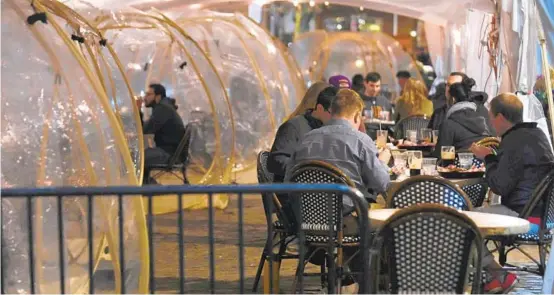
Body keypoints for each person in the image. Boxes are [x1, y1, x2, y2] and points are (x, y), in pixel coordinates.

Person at [285, 89, 391, 293]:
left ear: (331, 111)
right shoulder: (360, 140)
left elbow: (289, 180)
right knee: (385, 225)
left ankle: (350, 280)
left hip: (307, 223)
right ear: (357, 115)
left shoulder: (306, 139)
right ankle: (373, 283)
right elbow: (382, 183)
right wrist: (382, 162)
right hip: (347, 223)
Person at [470, 93, 554, 293]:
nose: (490, 123)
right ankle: (492, 278)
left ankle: (498, 276)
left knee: (464, 223)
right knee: (470, 219)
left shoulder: (513, 140)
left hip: (524, 217)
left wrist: (488, 158)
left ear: (500, 117)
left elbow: (499, 186)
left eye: (491, 117)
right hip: (546, 217)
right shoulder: (537, 135)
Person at [268, 82, 337, 183]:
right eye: (332, 113)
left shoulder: (329, 128)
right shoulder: (294, 126)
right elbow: (275, 161)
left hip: (319, 189)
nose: (335, 118)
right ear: (319, 107)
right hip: (293, 190)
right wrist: (307, 172)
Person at [137, 83, 186, 184]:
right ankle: (148, 183)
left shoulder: (163, 109)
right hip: (170, 151)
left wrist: (138, 110)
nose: (145, 98)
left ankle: (148, 186)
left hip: (169, 154)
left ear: (157, 96)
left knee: (137, 158)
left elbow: (145, 129)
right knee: (139, 155)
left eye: (148, 94)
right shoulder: (164, 107)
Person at [433, 82, 491, 157]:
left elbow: (440, 155)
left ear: (453, 99)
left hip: (458, 166)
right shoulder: (483, 118)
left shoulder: (449, 124)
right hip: (484, 165)